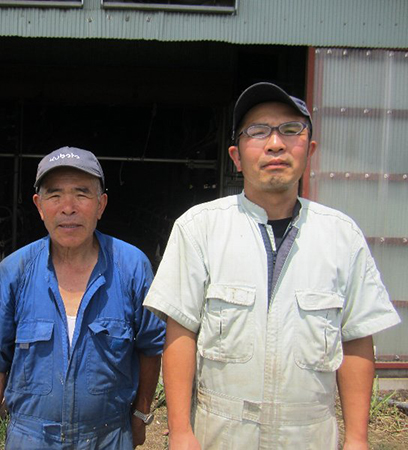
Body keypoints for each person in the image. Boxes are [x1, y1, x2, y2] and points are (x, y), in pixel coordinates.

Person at [143, 82, 401, 449]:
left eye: (291, 130)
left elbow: (356, 337)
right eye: (258, 131)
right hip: (222, 433)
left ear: (309, 150)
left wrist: (357, 438)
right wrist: (182, 430)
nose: (275, 144)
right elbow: (181, 331)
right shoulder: (200, 227)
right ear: (236, 155)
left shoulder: (342, 235)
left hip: (310, 435)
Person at [0, 146, 165, 449]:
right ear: (39, 205)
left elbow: (150, 347)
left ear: (101, 204)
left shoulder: (132, 267)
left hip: (108, 436)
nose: (68, 207)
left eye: (82, 194)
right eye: (55, 195)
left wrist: (140, 414)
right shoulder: (15, 271)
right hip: (31, 438)